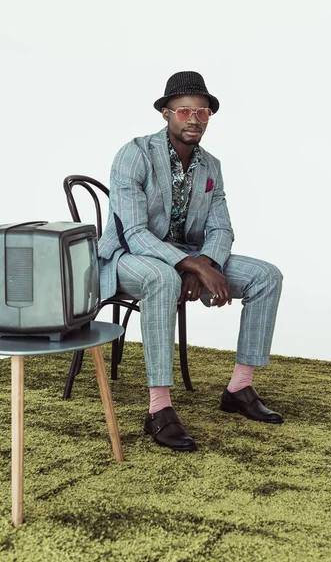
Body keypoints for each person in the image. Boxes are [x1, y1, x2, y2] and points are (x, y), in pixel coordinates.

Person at [98, 71, 283, 452]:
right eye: (184, 111)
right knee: (163, 278)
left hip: (191, 258)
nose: (194, 119)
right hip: (129, 258)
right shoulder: (134, 154)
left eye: (203, 113)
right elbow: (133, 232)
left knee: (267, 276)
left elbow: (222, 229)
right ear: (166, 113)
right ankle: (158, 409)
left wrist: (208, 262)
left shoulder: (211, 165)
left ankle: (239, 387)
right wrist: (192, 265)